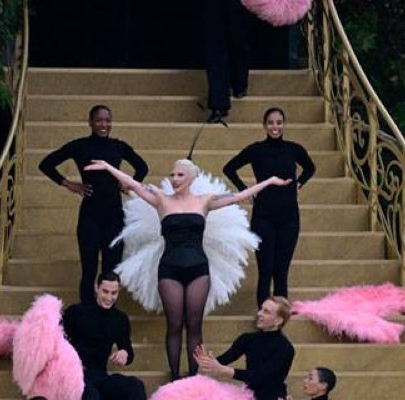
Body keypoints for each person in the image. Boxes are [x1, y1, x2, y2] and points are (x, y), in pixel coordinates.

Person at [85, 157, 289, 379]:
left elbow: (240, 196)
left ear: (192, 178)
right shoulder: (161, 200)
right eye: (172, 175)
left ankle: (193, 378)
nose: (174, 179)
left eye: (180, 175)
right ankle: (174, 376)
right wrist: (108, 167)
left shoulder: (205, 201)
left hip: (198, 269)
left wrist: (268, 181)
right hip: (169, 269)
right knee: (174, 325)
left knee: (194, 325)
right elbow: (133, 184)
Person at [39, 105, 148, 303]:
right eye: (99, 120)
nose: (104, 124)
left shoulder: (118, 146)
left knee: (111, 270)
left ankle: (107, 314)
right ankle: (87, 314)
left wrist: (128, 185)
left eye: (107, 120)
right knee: (88, 270)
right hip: (90, 216)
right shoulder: (79, 146)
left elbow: (142, 167)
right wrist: (69, 184)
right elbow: (46, 164)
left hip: (114, 216)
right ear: (90, 122)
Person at [223, 107, 316, 307]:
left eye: (279, 122)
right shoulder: (256, 150)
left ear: (284, 124)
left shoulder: (294, 149)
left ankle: (280, 320)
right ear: (264, 125)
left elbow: (310, 167)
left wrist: (299, 183)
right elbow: (229, 168)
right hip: (263, 216)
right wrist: (246, 191)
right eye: (271, 123)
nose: (276, 127)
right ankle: (263, 315)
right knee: (266, 270)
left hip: (289, 217)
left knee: (281, 271)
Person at [63, 271, 150, 400]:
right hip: (74, 375)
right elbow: (56, 341)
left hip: (100, 375)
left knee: (134, 386)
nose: (109, 297)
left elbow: (127, 348)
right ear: (96, 288)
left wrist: (124, 354)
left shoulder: (119, 319)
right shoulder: (75, 312)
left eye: (114, 293)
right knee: (89, 391)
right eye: (105, 292)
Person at [194, 296, 295, 400]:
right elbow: (224, 359)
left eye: (266, 311)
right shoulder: (248, 339)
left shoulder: (285, 348)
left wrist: (226, 371)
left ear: (278, 320)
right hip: (247, 397)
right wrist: (207, 362)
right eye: (261, 309)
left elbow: (261, 377)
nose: (259, 313)